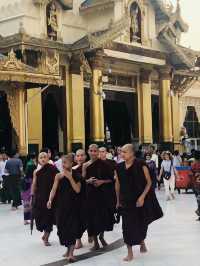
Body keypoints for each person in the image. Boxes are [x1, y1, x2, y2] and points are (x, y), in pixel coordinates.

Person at [115, 144, 163, 261]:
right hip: (126, 201)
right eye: (121, 152)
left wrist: (142, 197)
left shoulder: (141, 164)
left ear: (131, 153)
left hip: (140, 200)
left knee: (141, 223)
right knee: (126, 226)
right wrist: (117, 200)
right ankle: (129, 252)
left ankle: (142, 242)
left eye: (124, 152)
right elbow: (118, 184)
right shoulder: (119, 167)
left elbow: (149, 182)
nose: (122, 154)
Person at [47, 155, 81, 262]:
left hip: (73, 206)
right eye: (62, 163)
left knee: (71, 229)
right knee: (62, 229)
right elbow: (53, 189)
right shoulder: (58, 176)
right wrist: (50, 200)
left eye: (65, 162)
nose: (63, 165)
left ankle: (71, 253)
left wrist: (70, 178)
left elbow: (77, 190)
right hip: (60, 207)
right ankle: (67, 249)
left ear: (71, 164)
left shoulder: (77, 175)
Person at [83, 144, 115, 250]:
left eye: (95, 151)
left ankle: (101, 236)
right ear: (88, 151)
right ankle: (95, 242)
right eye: (91, 151)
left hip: (102, 194)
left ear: (99, 152)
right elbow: (82, 181)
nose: (93, 153)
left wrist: (102, 181)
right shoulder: (85, 165)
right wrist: (88, 181)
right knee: (92, 218)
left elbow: (111, 179)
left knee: (102, 217)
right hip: (90, 195)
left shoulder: (105, 165)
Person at [31, 152, 58, 246]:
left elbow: (58, 181)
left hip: (50, 197)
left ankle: (46, 237)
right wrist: (32, 196)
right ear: (38, 159)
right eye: (41, 157)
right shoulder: (36, 171)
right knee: (40, 217)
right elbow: (34, 184)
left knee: (49, 218)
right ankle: (44, 234)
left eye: (44, 157)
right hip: (39, 197)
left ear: (48, 158)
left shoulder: (53, 169)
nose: (43, 159)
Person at [73, 149, 87, 249]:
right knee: (77, 219)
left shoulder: (89, 166)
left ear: (85, 156)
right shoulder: (72, 169)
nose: (80, 158)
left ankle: (93, 236)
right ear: (75, 158)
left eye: (82, 155)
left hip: (88, 195)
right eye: (78, 156)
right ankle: (78, 240)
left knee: (89, 218)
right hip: (76, 197)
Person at [21, 154, 37, 225]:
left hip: (24, 192)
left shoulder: (25, 178)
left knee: (26, 205)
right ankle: (31, 219)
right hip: (30, 192)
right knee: (32, 205)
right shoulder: (33, 179)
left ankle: (25, 220)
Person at [191, 151, 200, 219]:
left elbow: (190, 173)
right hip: (197, 184)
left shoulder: (194, 164)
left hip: (196, 185)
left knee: (198, 199)